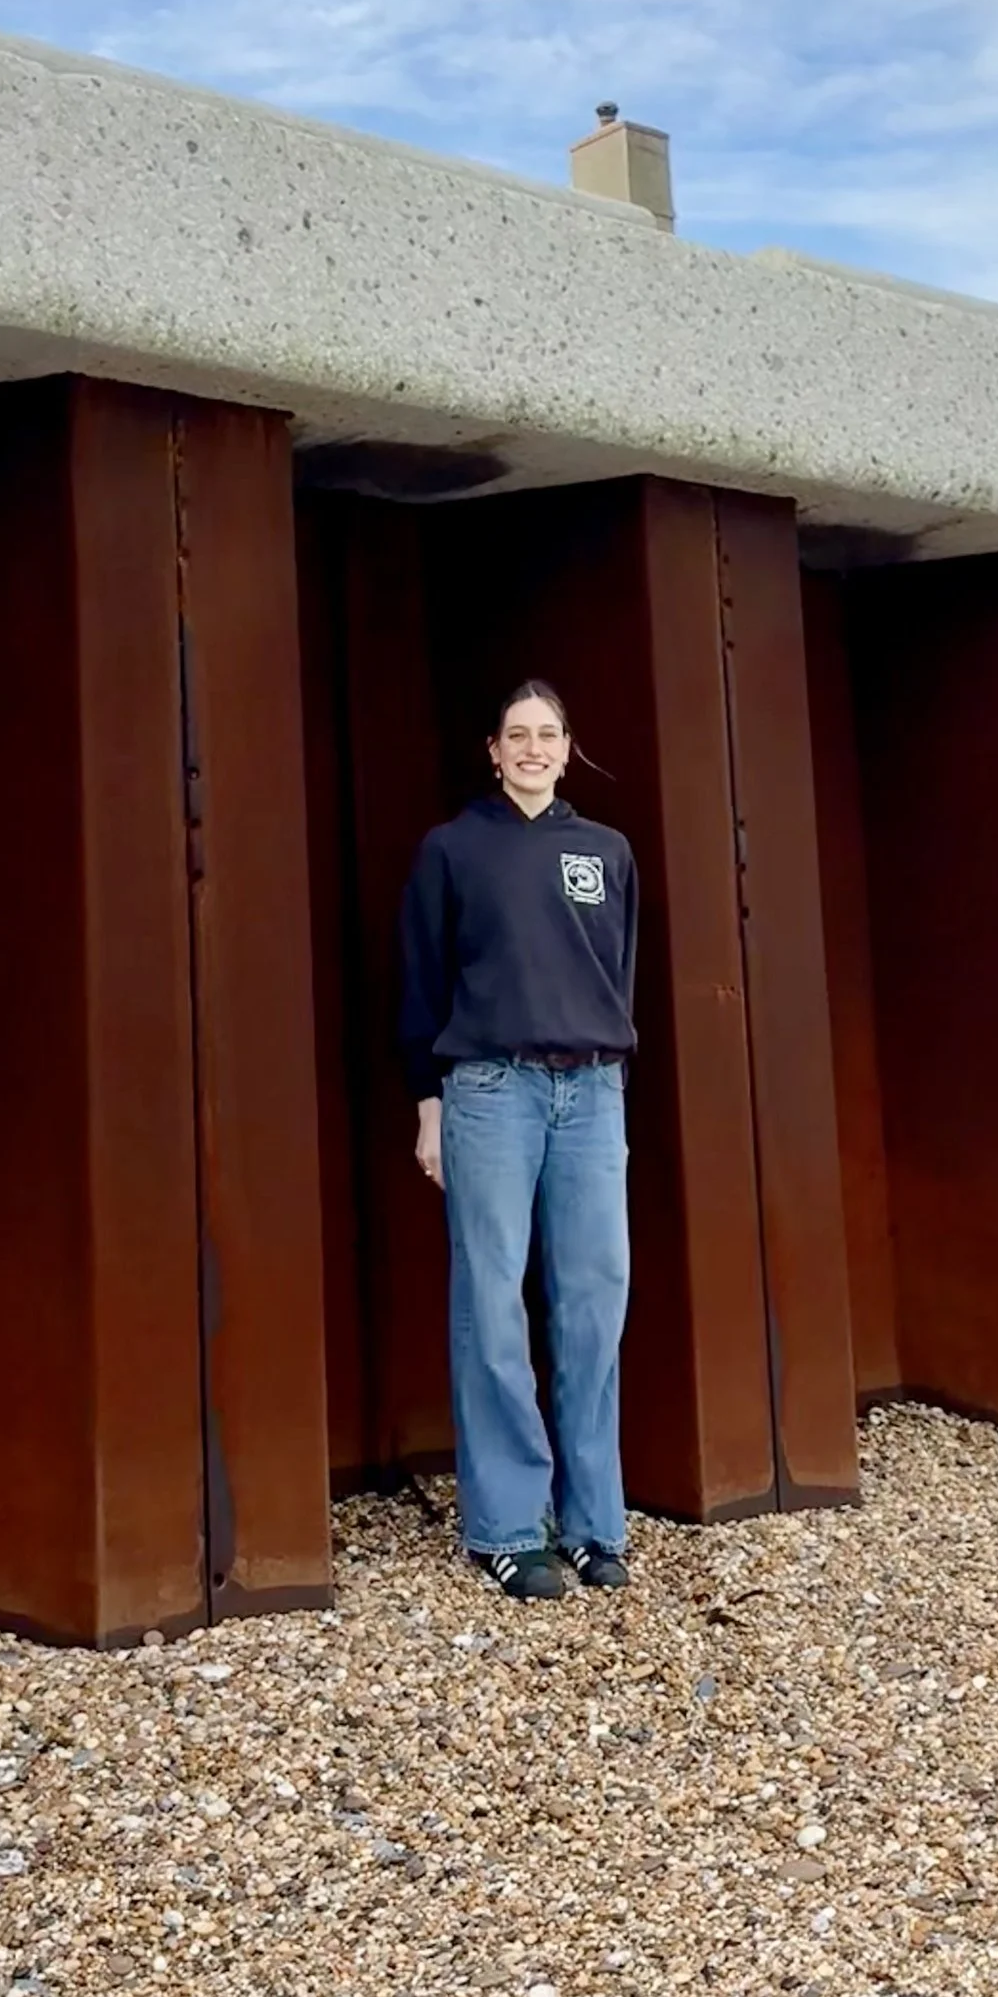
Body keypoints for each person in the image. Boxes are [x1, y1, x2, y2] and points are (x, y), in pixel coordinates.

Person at [398, 679, 638, 1600]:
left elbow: (616, 977)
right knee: (492, 1301)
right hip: (489, 1092)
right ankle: (506, 1527)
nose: (533, 748)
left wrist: (607, 1086)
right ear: (491, 751)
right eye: (517, 735)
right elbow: (420, 981)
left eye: (548, 734)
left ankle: (592, 1523)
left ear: (568, 748)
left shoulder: (605, 852)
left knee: (593, 1301)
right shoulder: (453, 850)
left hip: (593, 1092)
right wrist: (428, 1103)